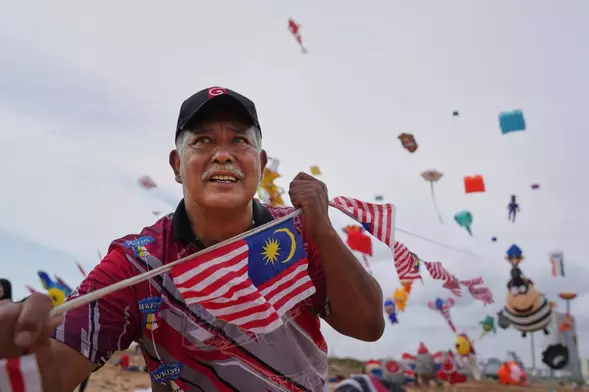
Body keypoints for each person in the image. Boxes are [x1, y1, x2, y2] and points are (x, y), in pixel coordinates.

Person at [0, 86, 384, 391]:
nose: (222, 154)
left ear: (262, 164)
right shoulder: (137, 263)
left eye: (239, 141)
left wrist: (324, 229)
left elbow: (368, 326)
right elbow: (53, 374)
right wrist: (18, 352)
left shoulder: (300, 231)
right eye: (202, 141)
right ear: (176, 165)